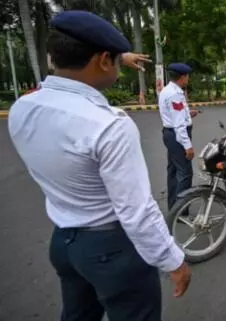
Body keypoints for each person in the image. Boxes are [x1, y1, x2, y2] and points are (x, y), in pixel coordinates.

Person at [8, 11, 191, 321]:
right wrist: (173, 260)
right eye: (117, 61)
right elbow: (137, 211)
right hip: (112, 249)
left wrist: (121, 54)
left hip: (65, 242)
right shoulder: (109, 125)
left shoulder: (23, 107)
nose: (120, 70)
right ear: (104, 60)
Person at [159, 62, 197, 210]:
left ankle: (173, 206)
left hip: (169, 134)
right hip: (177, 136)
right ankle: (181, 211)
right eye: (187, 76)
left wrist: (189, 113)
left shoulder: (167, 90)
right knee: (185, 173)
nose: (188, 79)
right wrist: (188, 146)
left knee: (173, 171)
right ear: (182, 77)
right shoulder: (175, 94)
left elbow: (175, 114)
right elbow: (179, 124)